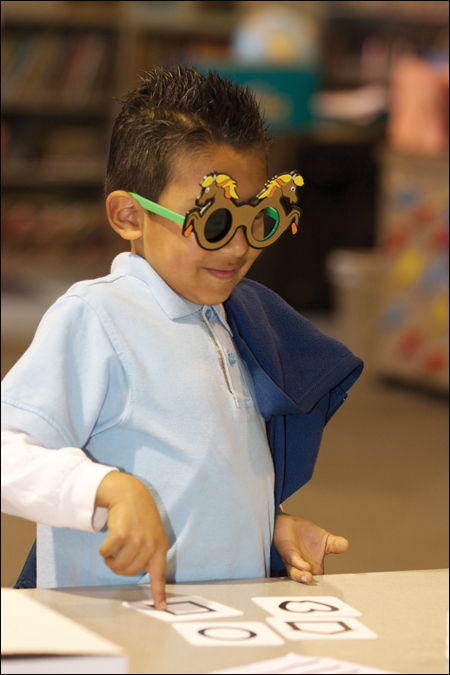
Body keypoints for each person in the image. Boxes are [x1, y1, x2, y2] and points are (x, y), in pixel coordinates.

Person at [1, 66, 363, 610]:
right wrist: (110, 489)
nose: (238, 249)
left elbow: (203, 472)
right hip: (116, 627)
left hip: (217, 622)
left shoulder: (236, 318)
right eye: (215, 224)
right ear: (129, 215)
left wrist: (269, 527)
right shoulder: (97, 316)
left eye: (259, 221)